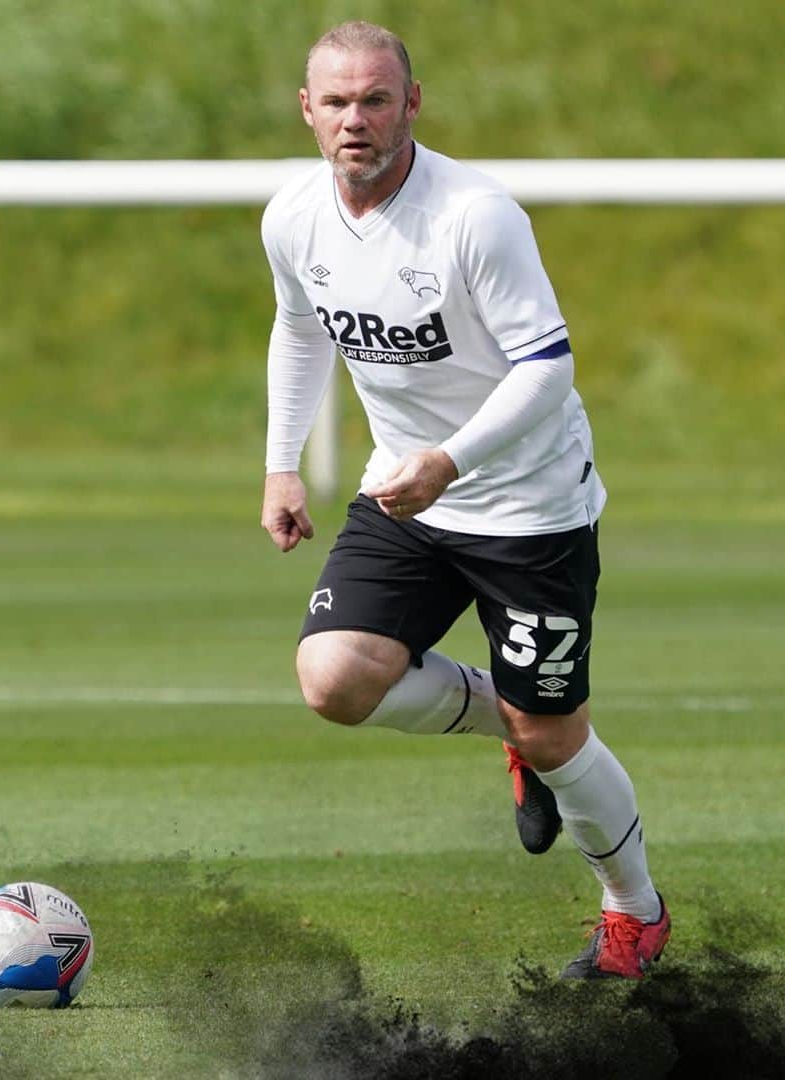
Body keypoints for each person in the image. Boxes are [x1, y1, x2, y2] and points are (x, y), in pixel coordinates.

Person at [259, 20, 669, 979]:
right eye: (336, 102)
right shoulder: (293, 217)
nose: (355, 120)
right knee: (334, 680)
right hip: (407, 497)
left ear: (411, 103)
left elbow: (548, 371)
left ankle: (633, 913)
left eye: (375, 99)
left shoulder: (476, 215)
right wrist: (283, 464)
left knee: (558, 734)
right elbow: (299, 325)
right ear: (307, 111)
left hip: (530, 510)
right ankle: (511, 729)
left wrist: (451, 459)